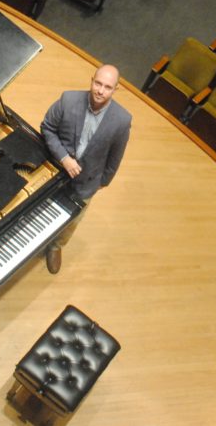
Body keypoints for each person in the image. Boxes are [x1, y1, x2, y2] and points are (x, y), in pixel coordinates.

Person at [39, 64, 131, 274]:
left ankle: (56, 246)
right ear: (91, 80)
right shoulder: (68, 99)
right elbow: (47, 128)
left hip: (87, 182)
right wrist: (64, 158)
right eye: (98, 83)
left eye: (107, 87)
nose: (100, 90)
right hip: (54, 170)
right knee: (41, 207)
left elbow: (115, 158)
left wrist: (101, 182)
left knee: (72, 220)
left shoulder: (122, 120)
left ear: (116, 89)